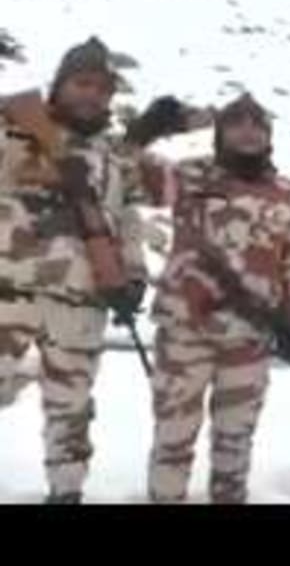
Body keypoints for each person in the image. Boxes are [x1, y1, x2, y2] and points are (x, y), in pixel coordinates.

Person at [129, 93, 290, 502]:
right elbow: (119, 172)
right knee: (173, 439)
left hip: (251, 333)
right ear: (220, 133)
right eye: (237, 122)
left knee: (235, 443)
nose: (248, 130)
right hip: (185, 328)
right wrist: (144, 132)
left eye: (258, 124)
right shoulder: (188, 176)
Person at [0, 37, 150, 503]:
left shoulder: (114, 157)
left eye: (104, 90)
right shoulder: (11, 129)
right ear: (60, 83)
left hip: (83, 301)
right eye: (83, 83)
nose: (93, 95)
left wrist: (134, 277)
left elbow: (127, 220)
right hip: (9, 291)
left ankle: (66, 493)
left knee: (72, 412)